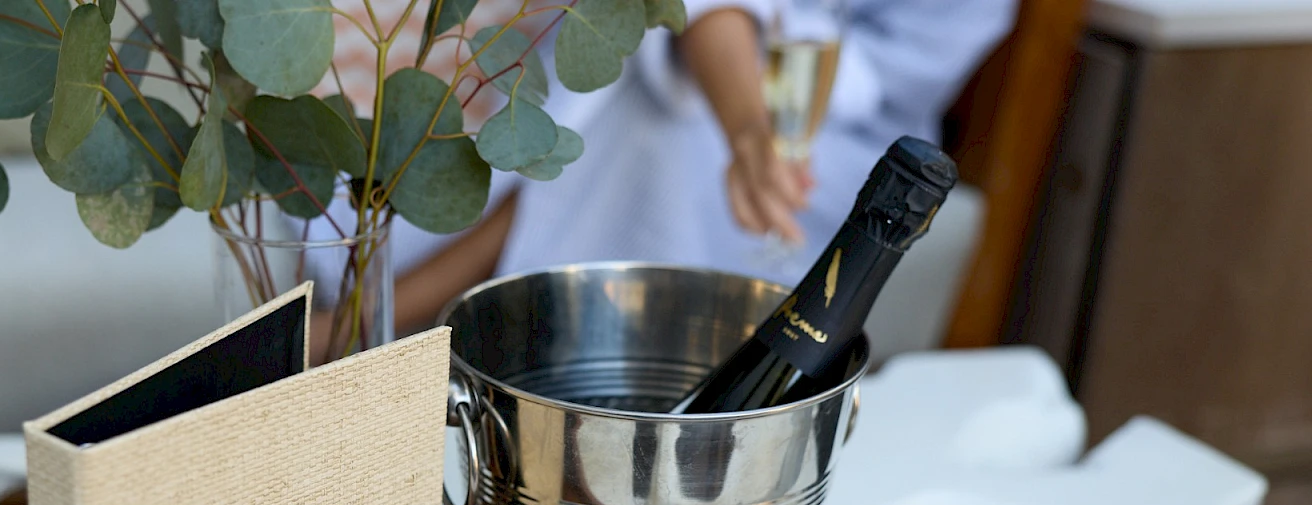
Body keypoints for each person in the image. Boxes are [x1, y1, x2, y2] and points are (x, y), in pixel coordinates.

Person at [393, 0, 1017, 332]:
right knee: (635, 89)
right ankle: (433, 312)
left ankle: (408, 313)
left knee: (655, 127)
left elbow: (880, 76)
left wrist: (750, 126)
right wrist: (748, 128)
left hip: (844, 132)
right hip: (706, 72)